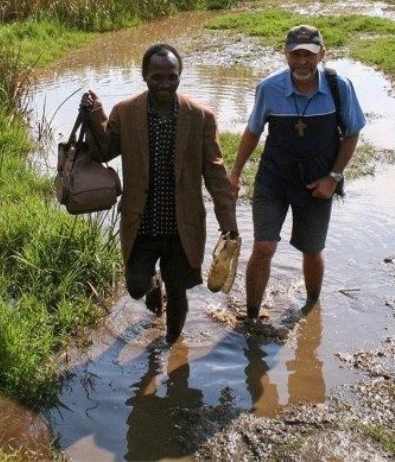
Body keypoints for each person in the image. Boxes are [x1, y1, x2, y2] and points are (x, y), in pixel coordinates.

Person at [80, 43, 238, 344]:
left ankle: (172, 348)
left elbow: (216, 174)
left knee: (178, 290)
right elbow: (104, 151)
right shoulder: (126, 112)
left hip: (183, 223)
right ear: (144, 77)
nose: (165, 84)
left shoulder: (200, 116)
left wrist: (228, 223)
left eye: (172, 77)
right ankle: (155, 286)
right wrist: (95, 116)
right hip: (142, 220)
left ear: (180, 76)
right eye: (157, 78)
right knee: (137, 285)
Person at [229, 25, 366, 320]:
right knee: (264, 247)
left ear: (322, 55)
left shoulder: (339, 87)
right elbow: (253, 132)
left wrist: (333, 178)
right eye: (296, 55)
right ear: (286, 55)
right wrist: (235, 173)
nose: (302, 62)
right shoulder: (269, 88)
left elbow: (352, 133)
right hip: (274, 180)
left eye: (309, 55)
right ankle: (251, 317)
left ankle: (311, 309)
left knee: (312, 249)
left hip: (317, 183)